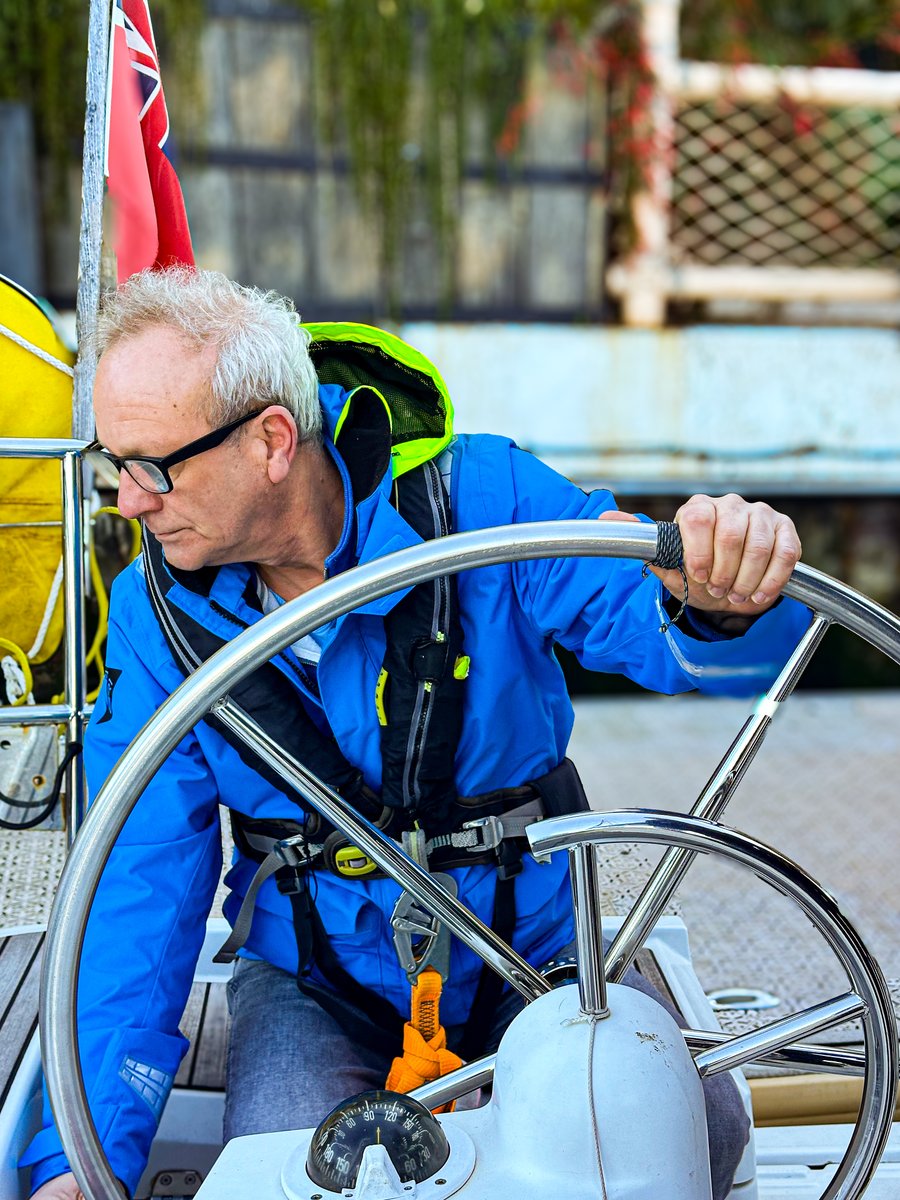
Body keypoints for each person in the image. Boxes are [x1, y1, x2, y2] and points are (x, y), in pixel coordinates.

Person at [26, 268, 808, 1200]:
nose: (129, 503)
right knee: (290, 1179)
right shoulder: (157, 625)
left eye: (155, 466)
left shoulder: (483, 501)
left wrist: (711, 582)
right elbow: (136, 889)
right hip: (318, 983)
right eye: (116, 465)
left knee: (693, 1138)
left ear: (272, 441)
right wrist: (77, 1165)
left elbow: (638, 609)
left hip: (540, 952)